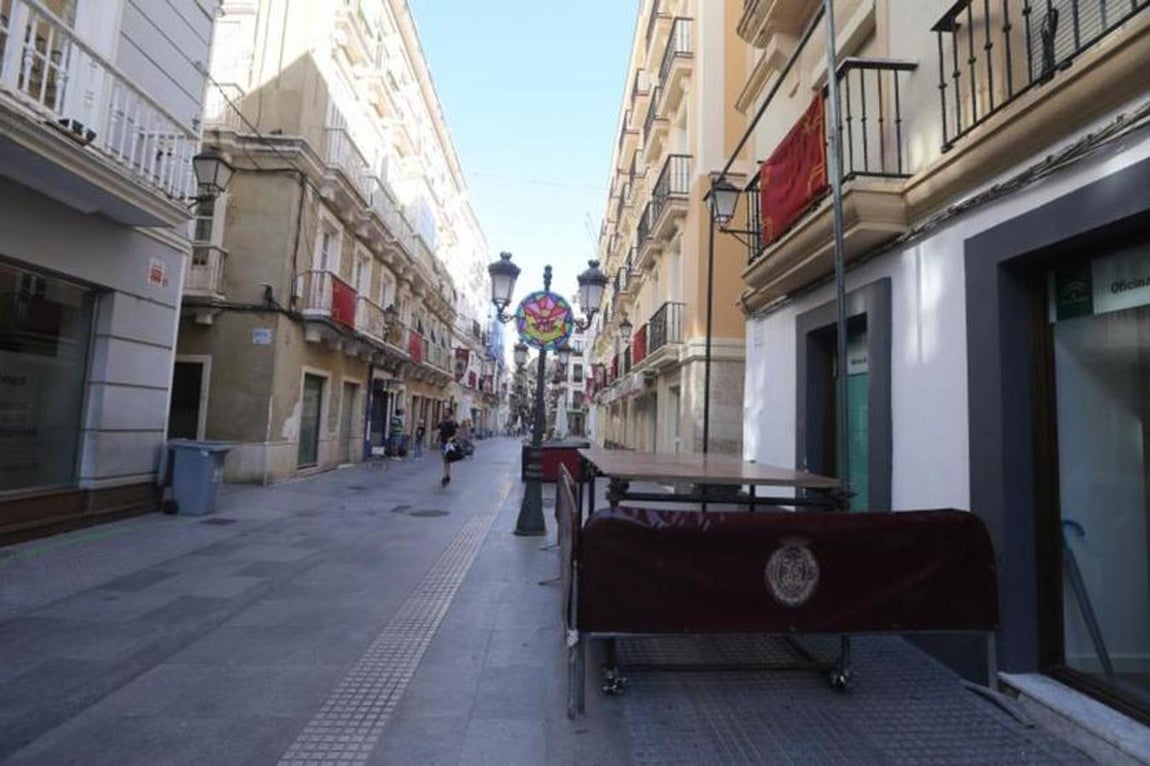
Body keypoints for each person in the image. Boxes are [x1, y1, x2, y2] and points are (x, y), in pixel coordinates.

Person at [437, 410, 458, 486]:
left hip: (450, 444)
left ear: (450, 414)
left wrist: (452, 438)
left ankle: (446, 475)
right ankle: (447, 475)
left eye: (447, 413)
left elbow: (457, 432)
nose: (445, 414)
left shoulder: (453, 423)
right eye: (445, 412)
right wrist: (437, 438)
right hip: (443, 443)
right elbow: (439, 431)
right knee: (445, 460)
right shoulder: (442, 422)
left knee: (447, 460)